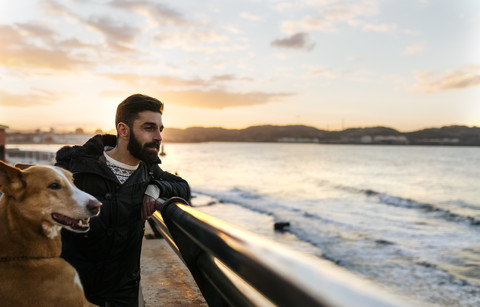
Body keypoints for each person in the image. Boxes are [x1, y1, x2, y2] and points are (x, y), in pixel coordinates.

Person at [55, 94, 191, 307]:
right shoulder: (75, 168)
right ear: (123, 130)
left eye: (160, 129)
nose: (158, 137)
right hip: (73, 292)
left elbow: (183, 187)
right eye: (149, 128)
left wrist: (156, 188)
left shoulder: (149, 171)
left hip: (123, 295)